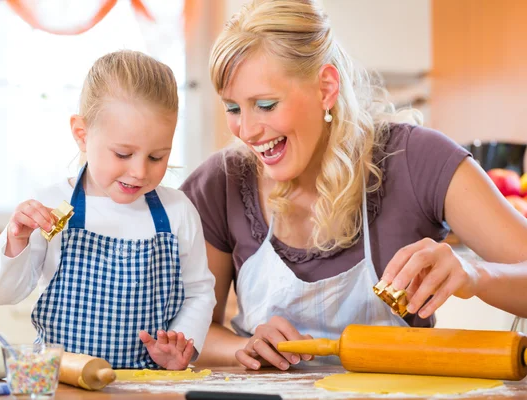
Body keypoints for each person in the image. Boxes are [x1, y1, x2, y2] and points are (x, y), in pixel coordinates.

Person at [180, 0, 527, 370]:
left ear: (326, 88)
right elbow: (192, 329)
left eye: (265, 105)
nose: (246, 131)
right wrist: (241, 347)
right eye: (233, 109)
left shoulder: (417, 160)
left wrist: (475, 274)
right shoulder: (221, 182)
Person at [0, 50, 216, 370]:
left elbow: (199, 293)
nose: (139, 172)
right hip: (65, 382)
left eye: (157, 157)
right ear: (82, 134)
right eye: (123, 153)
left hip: (148, 387)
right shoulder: (53, 206)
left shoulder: (178, 212)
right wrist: (16, 240)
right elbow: (1, 294)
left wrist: (180, 343)